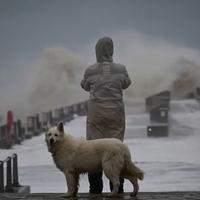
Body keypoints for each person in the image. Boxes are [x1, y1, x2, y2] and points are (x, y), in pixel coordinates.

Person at [80, 37, 131, 194]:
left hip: (97, 116)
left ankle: (95, 189)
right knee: (115, 149)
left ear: (97, 51)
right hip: (116, 115)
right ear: (111, 50)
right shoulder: (121, 69)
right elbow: (127, 83)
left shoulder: (90, 70)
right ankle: (117, 188)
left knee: (94, 150)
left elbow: (85, 86)